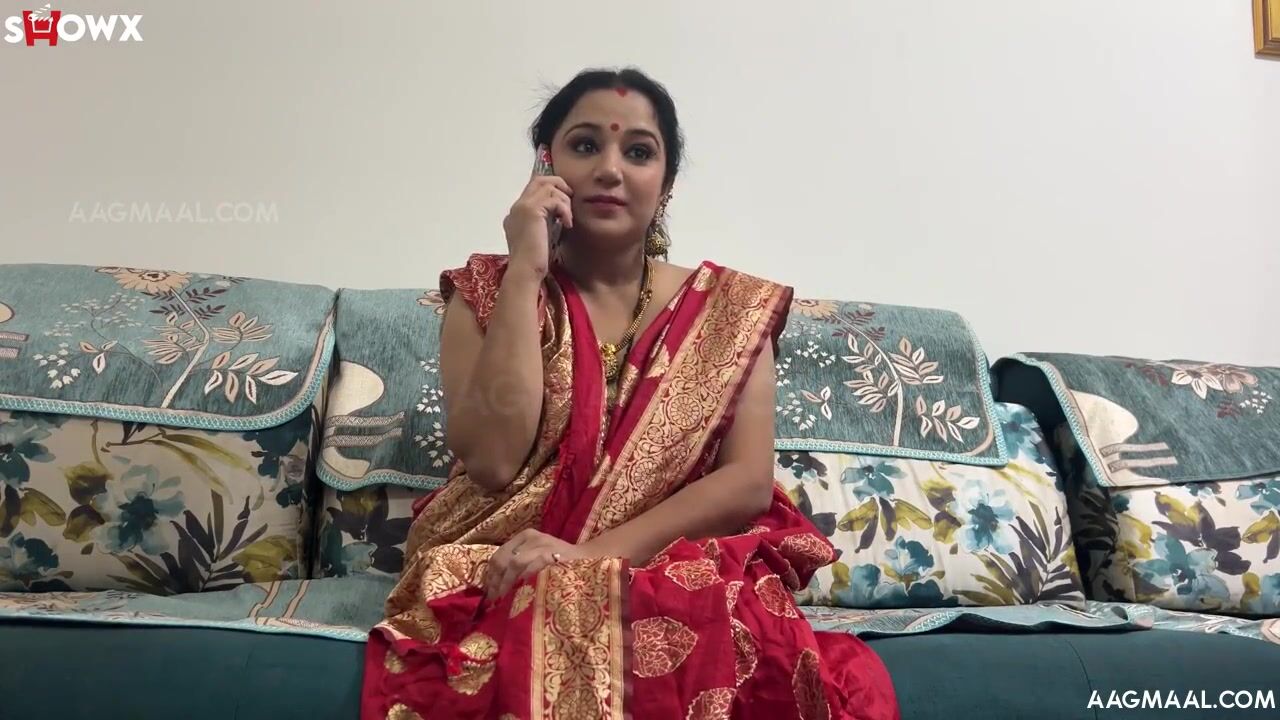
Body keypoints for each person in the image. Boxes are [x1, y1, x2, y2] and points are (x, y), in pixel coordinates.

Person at [361, 67, 899, 720]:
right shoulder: (484, 290)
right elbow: (494, 463)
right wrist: (526, 269)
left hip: (657, 561)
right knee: (538, 607)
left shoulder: (731, 311)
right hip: (496, 559)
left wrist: (583, 560)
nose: (610, 169)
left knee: (703, 609)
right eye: (585, 145)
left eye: (638, 152)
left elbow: (746, 484)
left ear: (666, 184)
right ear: (545, 164)